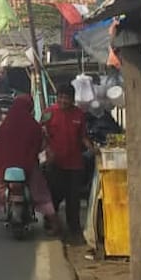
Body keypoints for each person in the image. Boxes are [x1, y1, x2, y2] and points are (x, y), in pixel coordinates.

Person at [0, 94, 58, 235]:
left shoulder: (7, 124)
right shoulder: (33, 125)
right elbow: (41, 146)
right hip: (27, 166)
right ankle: (55, 224)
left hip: (6, 167)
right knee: (41, 192)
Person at [42, 85, 96, 242]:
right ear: (57, 97)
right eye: (61, 97)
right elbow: (41, 133)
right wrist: (47, 150)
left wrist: (92, 149)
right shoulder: (48, 113)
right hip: (55, 164)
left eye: (67, 98)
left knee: (73, 199)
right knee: (54, 195)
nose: (63, 101)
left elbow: (83, 136)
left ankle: (74, 230)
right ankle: (51, 224)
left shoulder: (79, 114)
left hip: (75, 164)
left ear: (73, 99)